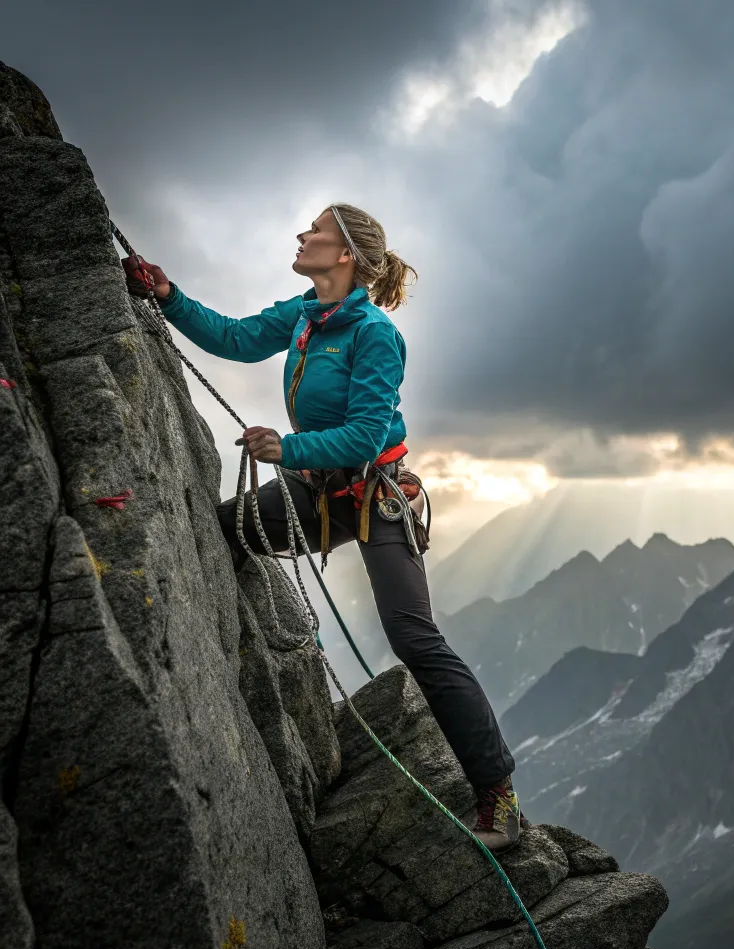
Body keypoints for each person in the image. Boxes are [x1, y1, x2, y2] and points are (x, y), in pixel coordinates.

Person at [122, 203, 522, 852]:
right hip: (315, 493)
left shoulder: (374, 334)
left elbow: (367, 433)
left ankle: (496, 791)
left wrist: (287, 450)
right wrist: (168, 296)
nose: (302, 236)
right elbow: (235, 338)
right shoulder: (305, 315)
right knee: (226, 530)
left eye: (316, 232)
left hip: (372, 496)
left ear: (345, 257)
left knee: (414, 637)